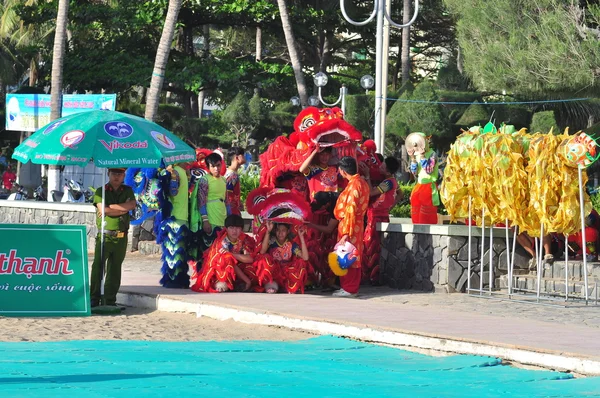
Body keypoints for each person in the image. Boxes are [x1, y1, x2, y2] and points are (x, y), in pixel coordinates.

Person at [90, 168, 136, 308]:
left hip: (121, 236)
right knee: (98, 266)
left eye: (120, 174)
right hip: (105, 235)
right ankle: (94, 297)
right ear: (108, 174)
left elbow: (132, 205)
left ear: (124, 175)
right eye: (114, 173)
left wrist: (113, 207)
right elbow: (103, 210)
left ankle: (110, 299)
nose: (116, 177)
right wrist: (121, 208)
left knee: (115, 269)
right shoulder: (101, 191)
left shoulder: (127, 190)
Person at [332, 156, 370, 297]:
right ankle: (348, 287)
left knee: (348, 255)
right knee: (351, 254)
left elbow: (351, 209)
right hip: (356, 224)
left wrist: (346, 233)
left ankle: (349, 288)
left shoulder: (354, 185)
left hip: (351, 224)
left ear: (342, 171)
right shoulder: (361, 183)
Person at [360, 156, 401, 284]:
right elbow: (401, 194)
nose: (380, 166)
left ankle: (370, 276)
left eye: (383, 166)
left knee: (370, 245)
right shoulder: (392, 181)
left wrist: (367, 175)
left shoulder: (387, 183)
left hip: (376, 216)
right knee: (376, 245)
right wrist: (389, 207)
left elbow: (371, 193)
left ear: (388, 171)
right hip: (381, 215)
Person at [190, 214, 256, 293]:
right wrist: (247, 280)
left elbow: (250, 259)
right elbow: (231, 262)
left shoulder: (244, 239)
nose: (234, 231)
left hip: (237, 266)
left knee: (253, 265)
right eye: (231, 228)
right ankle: (222, 282)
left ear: (241, 229)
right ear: (226, 229)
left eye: (237, 228)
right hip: (219, 268)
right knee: (227, 257)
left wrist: (233, 255)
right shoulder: (223, 242)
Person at [258, 221, 310, 294]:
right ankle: (273, 285)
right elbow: (262, 251)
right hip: (274, 273)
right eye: (278, 230)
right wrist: (268, 231)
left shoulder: (291, 244)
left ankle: (286, 286)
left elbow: (305, 257)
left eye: (283, 231)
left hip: (287, 274)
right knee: (263, 258)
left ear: (288, 231)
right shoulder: (272, 242)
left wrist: (301, 237)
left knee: (301, 262)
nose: (280, 233)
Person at [197, 152, 229, 250]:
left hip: (223, 217)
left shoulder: (224, 180)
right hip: (211, 217)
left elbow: (227, 201)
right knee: (209, 250)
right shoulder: (204, 180)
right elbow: (201, 201)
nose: (216, 168)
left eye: (218, 165)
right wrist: (205, 220)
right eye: (213, 166)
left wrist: (230, 219)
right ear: (208, 167)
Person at [225, 147, 246, 216]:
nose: (244, 157)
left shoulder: (232, 173)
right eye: (242, 155)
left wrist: (239, 202)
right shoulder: (232, 175)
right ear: (237, 158)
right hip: (231, 211)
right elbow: (228, 194)